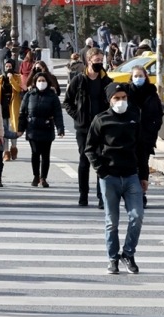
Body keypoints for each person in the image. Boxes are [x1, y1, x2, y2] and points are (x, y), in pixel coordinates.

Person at [84, 83, 148, 275]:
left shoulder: (134, 118)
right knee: (112, 221)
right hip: (109, 177)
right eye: (117, 98)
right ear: (110, 100)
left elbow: (141, 149)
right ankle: (113, 259)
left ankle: (128, 253)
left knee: (137, 216)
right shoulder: (101, 120)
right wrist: (101, 170)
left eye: (124, 97)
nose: (121, 101)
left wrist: (143, 175)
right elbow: (89, 148)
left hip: (131, 176)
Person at [63, 47, 112, 207]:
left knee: (101, 161)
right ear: (88, 61)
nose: (99, 63)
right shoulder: (79, 80)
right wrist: (78, 117)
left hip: (102, 128)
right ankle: (83, 195)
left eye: (101, 61)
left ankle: (101, 197)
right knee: (84, 161)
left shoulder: (107, 81)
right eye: (96, 61)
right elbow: (67, 102)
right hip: (83, 128)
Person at [17, 72, 65, 187]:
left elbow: (58, 113)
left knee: (45, 154)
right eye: (39, 81)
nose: (41, 83)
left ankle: (43, 177)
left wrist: (60, 129)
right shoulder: (29, 95)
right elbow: (22, 112)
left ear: (47, 82)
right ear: (35, 82)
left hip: (47, 127)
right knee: (35, 154)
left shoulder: (52, 96)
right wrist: (20, 128)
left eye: (43, 81)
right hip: (32, 128)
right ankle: (36, 176)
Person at [126, 66, 164, 208]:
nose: (138, 78)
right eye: (135, 76)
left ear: (145, 76)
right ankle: (131, 194)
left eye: (140, 76)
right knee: (131, 165)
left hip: (146, 137)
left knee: (143, 165)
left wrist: (152, 129)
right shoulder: (127, 92)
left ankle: (141, 194)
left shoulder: (152, 93)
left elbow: (158, 114)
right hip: (129, 136)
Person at [0, 59, 23, 184]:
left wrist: (11, 79)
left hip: (13, 107)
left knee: (13, 129)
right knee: (4, 131)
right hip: (2, 108)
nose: (8, 68)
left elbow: (18, 89)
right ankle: (6, 152)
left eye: (10, 66)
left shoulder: (17, 77)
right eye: (6, 66)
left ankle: (14, 148)